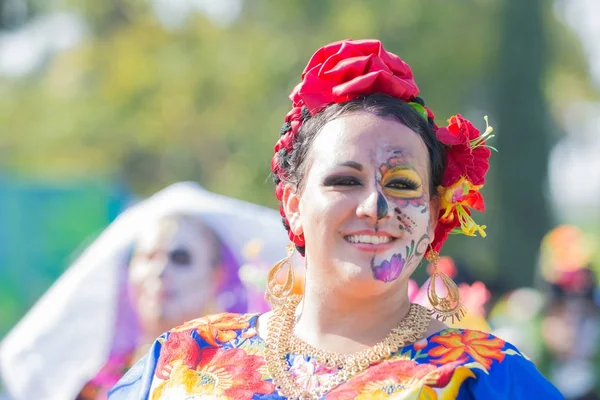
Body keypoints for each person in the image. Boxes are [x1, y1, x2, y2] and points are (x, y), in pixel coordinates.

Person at [109, 39, 564, 399]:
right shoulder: (186, 358)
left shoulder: (485, 377)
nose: (375, 208)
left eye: (403, 185)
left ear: (432, 216)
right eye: (345, 181)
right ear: (292, 204)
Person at [0, 182, 290, 400]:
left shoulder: (247, 371)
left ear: (217, 276)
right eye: (147, 258)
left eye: (180, 258)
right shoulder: (97, 384)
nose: (159, 271)